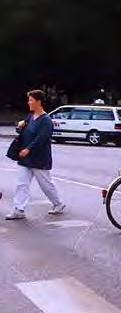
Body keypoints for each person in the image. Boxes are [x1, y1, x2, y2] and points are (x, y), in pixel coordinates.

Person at [6, 90, 65, 220]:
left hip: (39, 158)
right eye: (29, 100)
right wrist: (20, 126)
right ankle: (19, 209)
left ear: (38, 102)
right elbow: (23, 132)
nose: (29, 102)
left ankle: (58, 204)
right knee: (22, 184)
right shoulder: (30, 117)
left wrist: (29, 149)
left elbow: (42, 138)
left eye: (31, 100)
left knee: (46, 184)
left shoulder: (46, 120)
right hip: (25, 158)